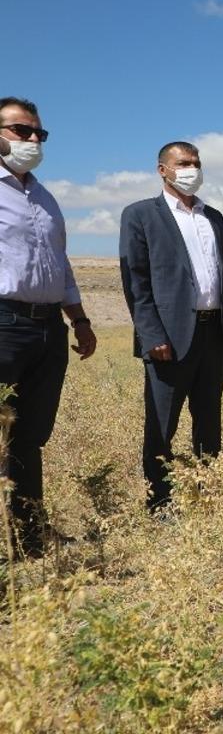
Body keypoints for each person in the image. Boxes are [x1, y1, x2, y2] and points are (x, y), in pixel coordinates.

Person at [119, 141, 223, 512]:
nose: (191, 169)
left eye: (196, 162)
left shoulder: (214, 216)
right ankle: (160, 501)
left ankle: (206, 492)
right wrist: (151, 335)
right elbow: (136, 282)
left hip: (213, 332)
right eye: (183, 163)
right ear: (162, 170)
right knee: (162, 424)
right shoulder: (141, 215)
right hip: (169, 338)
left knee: (209, 418)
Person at [0, 97, 96, 557]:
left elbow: (60, 265)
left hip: (47, 329)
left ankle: (30, 533)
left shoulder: (45, 197)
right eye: (21, 130)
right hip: (3, 323)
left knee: (30, 436)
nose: (34, 139)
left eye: (39, 133)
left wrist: (79, 319)